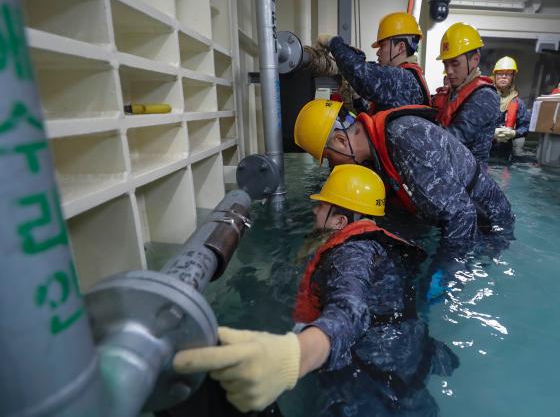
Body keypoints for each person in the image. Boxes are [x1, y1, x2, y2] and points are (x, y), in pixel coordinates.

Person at [173, 164, 458, 416]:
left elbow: (351, 310)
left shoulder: (353, 252)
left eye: (322, 206)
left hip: (370, 381)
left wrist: (295, 356)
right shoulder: (378, 247)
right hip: (405, 365)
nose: (314, 209)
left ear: (339, 220)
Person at [293, 99, 515, 263]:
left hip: (488, 225)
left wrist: (443, 275)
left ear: (341, 141)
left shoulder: (406, 138)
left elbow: (461, 215)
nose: (335, 167)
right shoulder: (376, 152)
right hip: (455, 220)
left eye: (331, 158)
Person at [316, 12, 431, 114]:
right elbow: (374, 119)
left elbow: (358, 70)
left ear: (400, 47)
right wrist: (357, 99)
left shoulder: (403, 79)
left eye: (383, 46)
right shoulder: (406, 79)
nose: (378, 53)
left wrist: (332, 41)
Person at [431, 23, 500, 162]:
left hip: (470, 179)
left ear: (475, 60)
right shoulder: (451, 92)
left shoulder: (485, 96)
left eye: (455, 63)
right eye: (446, 64)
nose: (449, 71)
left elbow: (455, 138)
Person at [490, 56, 531, 160]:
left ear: (513, 77)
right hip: (483, 151)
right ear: (495, 75)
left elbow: (526, 126)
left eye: (508, 74)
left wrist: (514, 133)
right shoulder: (484, 98)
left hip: (505, 154)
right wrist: (491, 133)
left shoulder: (518, 103)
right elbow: (472, 126)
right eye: (500, 73)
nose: (504, 76)